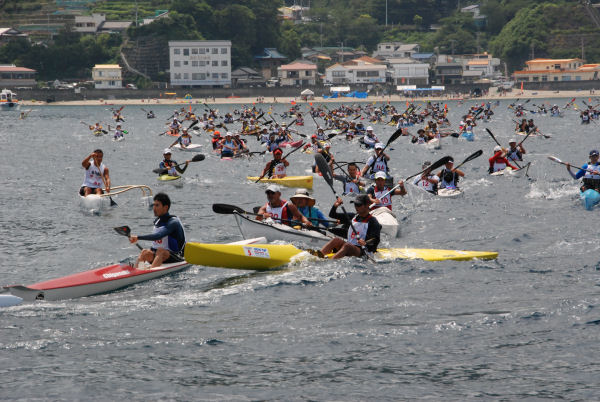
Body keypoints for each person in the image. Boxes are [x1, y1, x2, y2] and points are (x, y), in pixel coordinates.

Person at [129, 193, 186, 268]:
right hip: (160, 256)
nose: (154, 208)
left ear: (165, 207)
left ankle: (150, 273)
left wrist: (137, 237)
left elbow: (158, 236)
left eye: (157, 205)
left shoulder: (173, 222)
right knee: (144, 252)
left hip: (176, 257)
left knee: (160, 251)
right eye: (154, 205)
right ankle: (135, 272)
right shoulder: (157, 221)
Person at [319, 194, 381, 259]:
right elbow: (332, 215)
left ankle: (331, 261)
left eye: (359, 205)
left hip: (363, 251)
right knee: (335, 240)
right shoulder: (352, 216)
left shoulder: (373, 222)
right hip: (349, 247)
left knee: (347, 246)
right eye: (355, 204)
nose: (356, 207)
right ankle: (317, 257)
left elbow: (375, 241)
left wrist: (365, 243)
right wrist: (335, 206)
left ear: (367, 205)